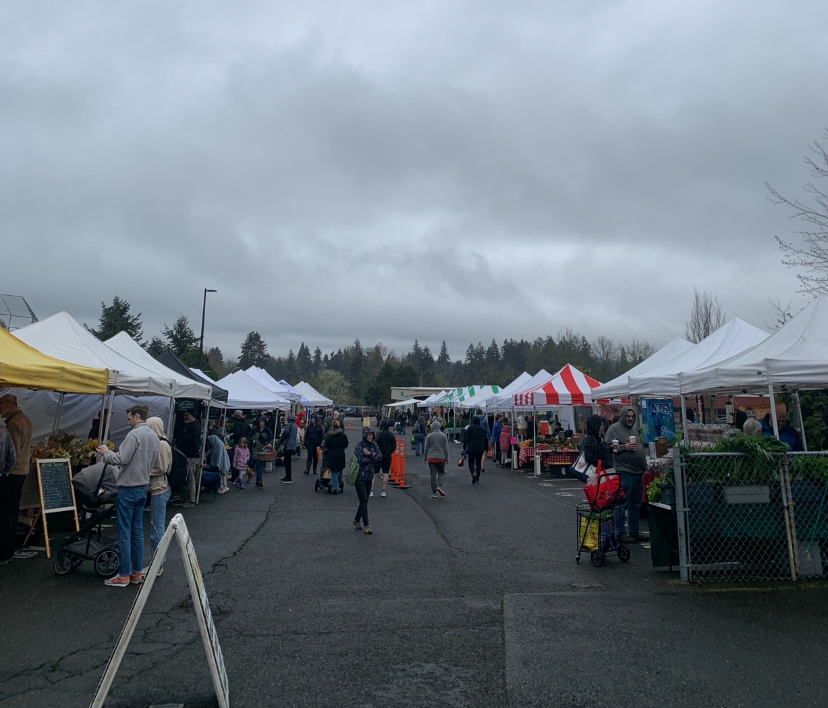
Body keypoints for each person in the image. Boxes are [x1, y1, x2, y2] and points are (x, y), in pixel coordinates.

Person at [98, 405, 159, 587]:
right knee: (138, 531)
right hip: (142, 486)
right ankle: (136, 572)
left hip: (128, 487)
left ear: (137, 416)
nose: (129, 421)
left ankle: (123, 574)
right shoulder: (154, 436)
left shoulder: (134, 435)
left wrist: (105, 453)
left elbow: (121, 458)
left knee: (124, 531)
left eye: (130, 418)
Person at [605, 406, 648, 544]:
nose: (630, 419)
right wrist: (624, 447)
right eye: (628, 416)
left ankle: (634, 532)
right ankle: (620, 533)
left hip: (637, 472)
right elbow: (609, 447)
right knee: (622, 504)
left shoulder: (634, 430)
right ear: (623, 416)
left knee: (635, 504)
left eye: (632, 416)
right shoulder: (614, 429)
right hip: (625, 471)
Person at [0, 394, 30, 566]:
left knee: (5, 514)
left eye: (1, 406)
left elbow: (13, 453)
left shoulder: (13, 424)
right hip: (23, 471)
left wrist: (5, 472)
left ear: (9, 405)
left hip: (12, 474)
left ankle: (5, 551)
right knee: (12, 512)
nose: (0, 410)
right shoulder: (25, 420)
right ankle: (9, 549)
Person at [145, 417, 172, 576]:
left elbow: (161, 468)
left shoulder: (161, 444)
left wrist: (142, 472)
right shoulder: (161, 442)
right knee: (156, 526)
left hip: (159, 488)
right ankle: (157, 562)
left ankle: (158, 564)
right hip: (158, 488)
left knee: (157, 528)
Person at [353, 427, 382, 534]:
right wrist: (372, 458)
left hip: (369, 476)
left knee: (364, 501)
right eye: (368, 435)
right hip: (359, 476)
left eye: (371, 435)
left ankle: (356, 520)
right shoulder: (359, 446)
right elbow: (361, 460)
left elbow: (379, 457)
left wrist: (369, 454)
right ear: (364, 435)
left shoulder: (374, 445)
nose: (370, 437)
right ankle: (367, 525)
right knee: (364, 500)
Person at [174, 410, 202, 508]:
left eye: (187, 415)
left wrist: (189, 455)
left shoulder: (194, 427)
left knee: (190, 477)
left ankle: (190, 499)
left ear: (192, 416)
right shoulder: (190, 426)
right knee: (185, 476)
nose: (184, 417)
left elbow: (194, 442)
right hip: (186, 455)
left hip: (190, 455)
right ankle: (184, 498)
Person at [577, 415, 613, 481]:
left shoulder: (599, 438)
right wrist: (601, 463)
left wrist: (610, 448)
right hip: (599, 471)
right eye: (601, 425)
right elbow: (589, 456)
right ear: (596, 426)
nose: (603, 427)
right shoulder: (591, 439)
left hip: (605, 471)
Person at [322, 419, 349, 493]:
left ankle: (335, 487)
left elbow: (327, 444)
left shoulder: (329, 435)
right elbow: (346, 443)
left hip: (332, 454)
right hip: (340, 453)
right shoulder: (343, 435)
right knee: (338, 470)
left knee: (333, 470)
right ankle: (336, 483)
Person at [424, 420, 449, 498]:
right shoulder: (443, 436)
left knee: (433, 475)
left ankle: (434, 492)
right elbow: (446, 448)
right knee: (441, 472)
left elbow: (426, 448)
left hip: (431, 457)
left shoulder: (429, 436)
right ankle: (440, 486)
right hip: (441, 457)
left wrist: (425, 457)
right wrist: (447, 458)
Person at [463, 416, 488, 485]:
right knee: (478, 462)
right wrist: (486, 448)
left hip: (471, 447)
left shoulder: (470, 429)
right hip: (480, 448)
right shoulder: (482, 429)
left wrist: (464, 447)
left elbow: (466, 439)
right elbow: (486, 439)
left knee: (471, 462)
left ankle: (473, 473)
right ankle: (477, 478)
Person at [376, 420, 397, 497]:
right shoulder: (391, 434)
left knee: (374, 473)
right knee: (385, 473)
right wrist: (389, 451)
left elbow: (375, 443)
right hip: (387, 455)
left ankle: (371, 490)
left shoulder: (379, 434)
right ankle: (383, 490)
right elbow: (394, 446)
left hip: (378, 455)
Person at [279, 415, 299, 483]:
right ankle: (287, 476)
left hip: (288, 445)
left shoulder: (289, 425)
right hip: (293, 445)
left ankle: (288, 477)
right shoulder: (295, 426)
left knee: (287, 462)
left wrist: (281, 439)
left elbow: (285, 433)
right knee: (288, 461)